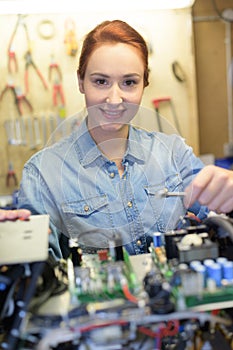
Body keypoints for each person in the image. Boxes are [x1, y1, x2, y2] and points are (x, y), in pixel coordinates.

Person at [15, 19, 233, 260]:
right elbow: (35, 273)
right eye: (101, 81)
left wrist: (228, 193)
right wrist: (11, 241)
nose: (115, 99)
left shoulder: (174, 153)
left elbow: (218, 219)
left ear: (144, 83)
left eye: (129, 82)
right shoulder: (43, 173)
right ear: (81, 82)